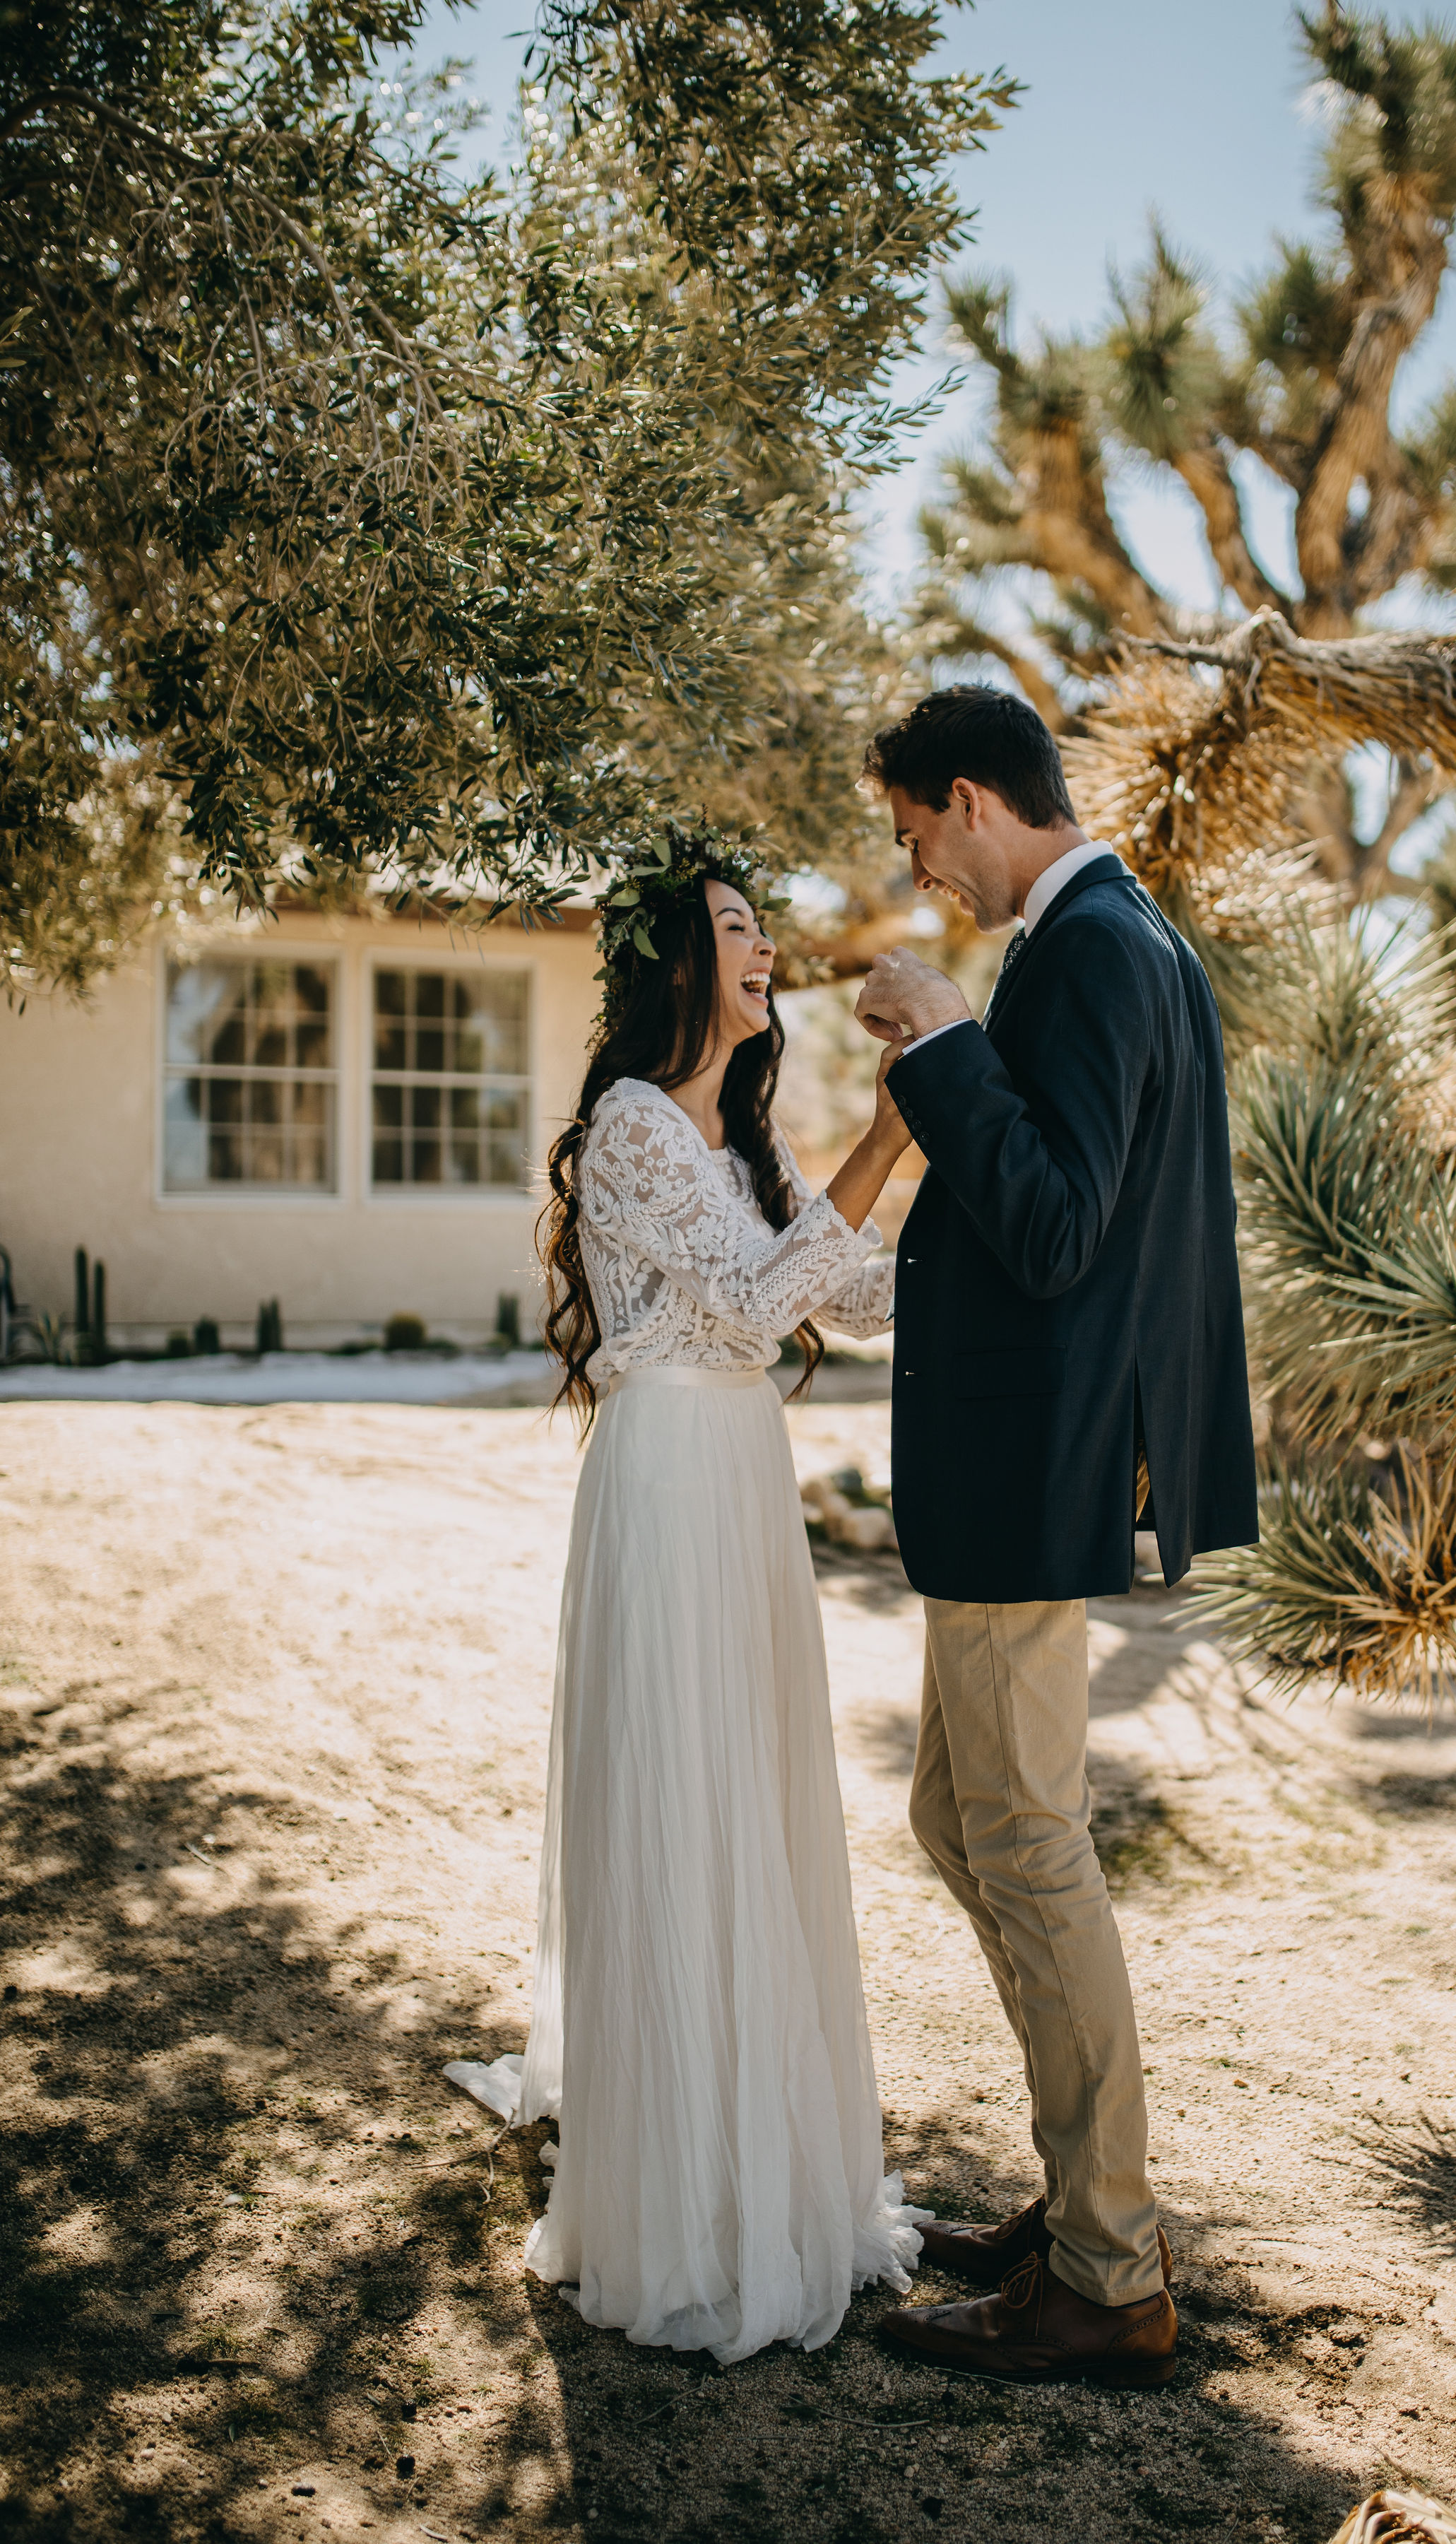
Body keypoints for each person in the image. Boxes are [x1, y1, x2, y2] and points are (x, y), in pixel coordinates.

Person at [446, 830, 925, 2365]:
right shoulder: (639, 1129)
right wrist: (893, 1131)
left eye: (762, 925)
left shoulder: (737, 1149)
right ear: (675, 963)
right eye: (733, 925)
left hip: (744, 1489)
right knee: (680, 1808)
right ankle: (680, 2203)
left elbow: (844, 1295)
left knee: (756, 1809)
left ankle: (766, 2168)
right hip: (664, 1483)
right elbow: (756, 1300)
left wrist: (996, 1243)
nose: (763, 945)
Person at [853, 685, 1257, 2391]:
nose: (917, 866)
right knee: (964, 1817)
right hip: (1027, 1473)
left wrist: (943, 1041)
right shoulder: (1116, 933)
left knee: (1021, 1840)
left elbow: (1059, 1219)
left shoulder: (1088, 949)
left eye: (913, 831)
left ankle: (1107, 2265)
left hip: (1031, 1480)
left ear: (969, 796)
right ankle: (1076, 2195)